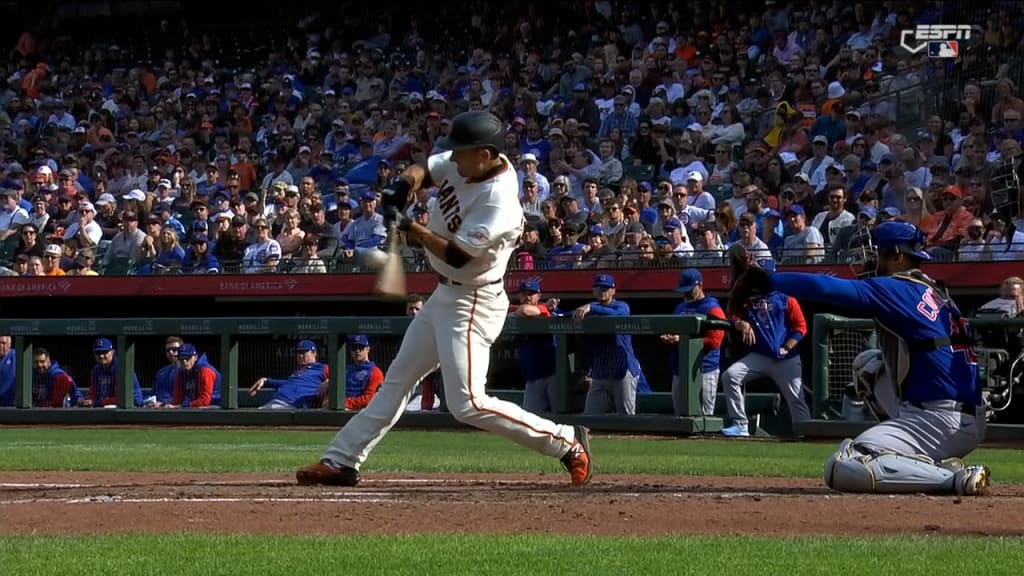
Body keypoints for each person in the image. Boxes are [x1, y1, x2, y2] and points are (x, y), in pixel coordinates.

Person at [296, 110, 592, 487]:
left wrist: (409, 227)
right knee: (396, 382)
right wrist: (402, 188)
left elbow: (458, 254)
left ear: (485, 154)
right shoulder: (469, 162)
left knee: (467, 402)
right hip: (444, 295)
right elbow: (426, 168)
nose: (453, 159)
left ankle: (566, 441)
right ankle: (341, 460)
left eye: (461, 153)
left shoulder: (499, 200)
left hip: (473, 301)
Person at [734, 221, 990, 495]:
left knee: (845, 465)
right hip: (961, 413)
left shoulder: (897, 286)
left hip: (939, 418)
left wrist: (767, 280)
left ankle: (952, 479)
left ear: (896, 256)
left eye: (875, 253)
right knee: (869, 365)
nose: (869, 260)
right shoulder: (933, 289)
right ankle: (926, 460)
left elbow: (827, 289)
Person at [721, 270, 810, 437]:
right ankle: (740, 425)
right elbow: (731, 314)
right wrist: (740, 323)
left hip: (786, 358)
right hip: (760, 355)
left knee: (796, 399)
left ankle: (804, 434)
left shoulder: (785, 299)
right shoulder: (746, 300)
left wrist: (788, 346)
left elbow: (800, 327)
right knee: (730, 375)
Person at [661, 269, 726, 416]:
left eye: (690, 290)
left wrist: (683, 340)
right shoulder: (680, 308)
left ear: (700, 285)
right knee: (680, 416)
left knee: (703, 416)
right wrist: (671, 338)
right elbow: (673, 331)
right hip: (680, 368)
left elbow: (715, 341)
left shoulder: (712, 308)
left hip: (703, 368)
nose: (687, 294)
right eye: (684, 290)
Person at [511, 279, 559, 413]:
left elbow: (525, 311)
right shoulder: (541, 308)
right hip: (532, 378)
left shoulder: (546, 311)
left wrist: (545, 308)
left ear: (539, 296)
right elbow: (522, 310)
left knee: (559, 416)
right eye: (524, 293)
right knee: (530, 420)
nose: (527, 297)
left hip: (553, 375)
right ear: (518, 296)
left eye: (531, 294)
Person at [249, 339, 329, 409]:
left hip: (292, 404)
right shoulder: (298, 372)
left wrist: (329, 381)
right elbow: (288, 383)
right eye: (298, 353)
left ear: (314, 353)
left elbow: (339, 377)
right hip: (275, 402)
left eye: (303, 352)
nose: (300, 356)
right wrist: (266, 380)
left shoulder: (322, 368)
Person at [317, 335, 384, 410]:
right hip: (337, 409)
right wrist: (330, 382)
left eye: (361, 347)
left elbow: (369, 398)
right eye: (354, 348)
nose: (357, 351)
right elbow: (333, 392)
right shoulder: (346, 370)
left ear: (368, 349)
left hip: (359, 412)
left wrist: (345, 404)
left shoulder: (375, 372)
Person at [82, 338, 145, 408]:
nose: (101, 356)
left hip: (132, 407)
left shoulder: (121, 368)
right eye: (98, 353)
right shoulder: (95, 370)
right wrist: (86, 401)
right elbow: (92, 393)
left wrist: (94, 402)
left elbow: (120, 399)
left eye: (105, 352)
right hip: (105, 406)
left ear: (112, 352)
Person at [161, 344, 222, 408]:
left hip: (216, 406)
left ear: (195, 357)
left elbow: (204, 401)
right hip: (197, 407)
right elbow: (176, 401)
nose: (184, 362)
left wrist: (181, 406)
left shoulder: (205, 371)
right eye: (181, 358)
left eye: (187, 358)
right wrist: (164, 405)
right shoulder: (180, 373)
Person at [0, 336, 15, 407]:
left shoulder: (17, 355)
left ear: (9, 344)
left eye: (3, 343)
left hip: (11, 404)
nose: (1, 346)